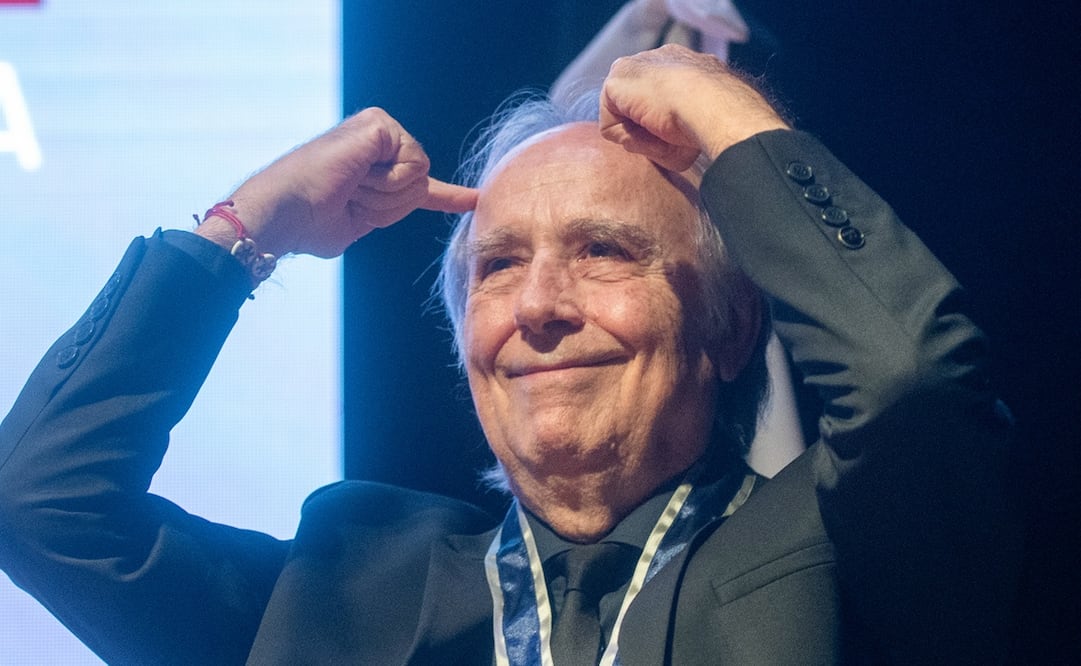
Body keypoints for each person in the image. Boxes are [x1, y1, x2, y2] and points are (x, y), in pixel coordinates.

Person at [0, 45, 1018, 664]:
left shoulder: (852, 562)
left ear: (726, 328)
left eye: (603, 252)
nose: (536, 306)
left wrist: (724, 114)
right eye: (495, 268)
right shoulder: (342, 585)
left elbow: (910, 383)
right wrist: (246, 228)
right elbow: (42, 506)